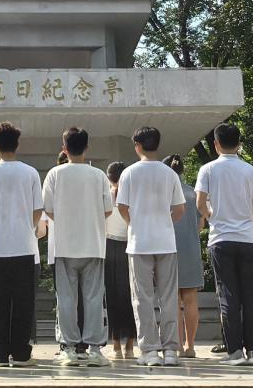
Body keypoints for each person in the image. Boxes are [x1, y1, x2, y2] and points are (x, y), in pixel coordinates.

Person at [195, 123, 253, 367]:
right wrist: (251, 223)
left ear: (216, 144)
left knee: (228, 296)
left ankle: (234, 350)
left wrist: (212, 217)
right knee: (252, 297)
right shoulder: (251, 171)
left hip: (221, 239)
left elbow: (200, 203)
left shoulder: (208, 169)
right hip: (248, 240)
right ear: (239, 144)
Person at [115, 126, 185, 367]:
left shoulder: (129, 173)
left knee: (142, 298)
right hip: (166, 242)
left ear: (137, 146)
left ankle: (150, 350)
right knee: (169, 297)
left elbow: (122, 206)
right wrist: (164, 222)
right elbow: (179, 209)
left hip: (139, 243)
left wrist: (134, 223)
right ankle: (171, 351)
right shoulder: (170, 174)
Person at [42, 127, 112, 367]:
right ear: (87, 147)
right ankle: (95, 349)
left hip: (64, 245)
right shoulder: (98, 175)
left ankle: (69, 348)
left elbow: (48, 209)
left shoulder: (54, 174)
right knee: (94, 298)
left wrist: (65, 220)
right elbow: (108, 210)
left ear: (64, 148)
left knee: (66, 298)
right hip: (93, 243)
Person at [0, 121, 43, 368]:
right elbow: (38, 209)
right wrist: (27, 228)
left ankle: (0, 353)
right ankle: (22, 353)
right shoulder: (30, 173)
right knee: (24, 303)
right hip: (25, 247)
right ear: (17, 143)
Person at [165, 156, 205, 358]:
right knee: (191, 299)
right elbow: (200, 225)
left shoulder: (164, 193)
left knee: (173, 300)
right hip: (191, 248)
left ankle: (178, 346)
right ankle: (191, 346)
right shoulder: (193, 193)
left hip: (169, 249)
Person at [103, 161, 136, 360]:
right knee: (130, 296)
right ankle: (130, 345)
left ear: (109, 177)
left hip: (109, 246)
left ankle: (115, 344)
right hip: (129, 245)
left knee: (112, 296)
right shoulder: (131, 194)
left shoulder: (105, 194)